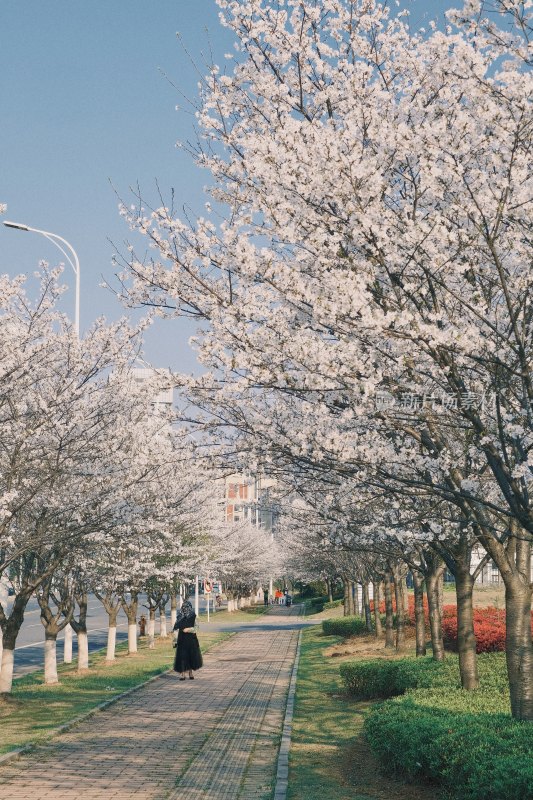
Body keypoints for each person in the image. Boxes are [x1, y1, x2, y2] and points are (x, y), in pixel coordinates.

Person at [172, 599, 203, 680]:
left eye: (186, 607)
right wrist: (174, 641)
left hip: (191, 639)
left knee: (191, 656)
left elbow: (197, 628)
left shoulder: (193, 616)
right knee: (182, 656)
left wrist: (188, 629)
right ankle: (183, 674)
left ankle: (190, 673)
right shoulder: (179, 617)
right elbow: (175, 629)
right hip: (182, 639)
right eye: (183, 607)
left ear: (190, 607)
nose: (185, 609)